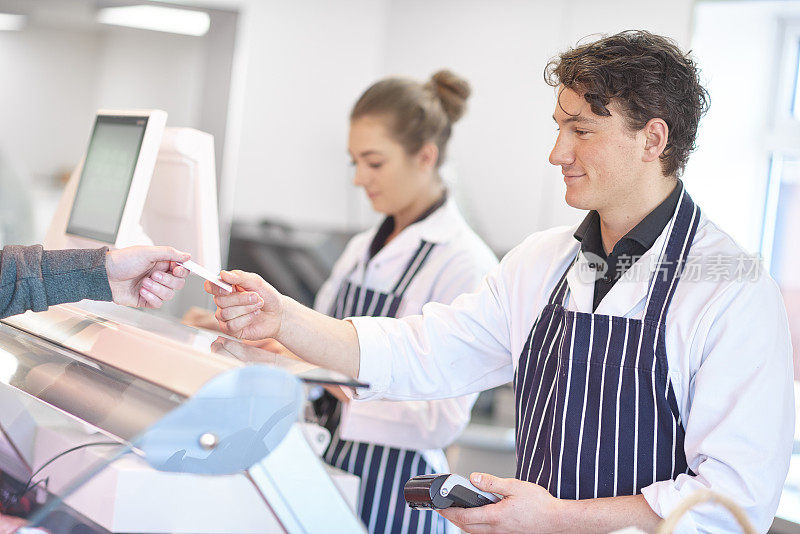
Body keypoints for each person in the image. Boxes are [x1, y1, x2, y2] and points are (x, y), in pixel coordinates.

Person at [208, 31, 795, 533]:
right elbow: (422, 352)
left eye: (582, 131)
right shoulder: (543, 262)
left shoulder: (731, 288)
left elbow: (733, 498)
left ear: (654, 140)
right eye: (558, 127)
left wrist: (558, 517)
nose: (556, 152)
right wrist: (284, 317)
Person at [193, 70, 497, 534]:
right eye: (354, 162)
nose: (359, 179)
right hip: (326, 466)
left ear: (425, 156)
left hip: (400, 494)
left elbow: (438, 421)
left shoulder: (464, 261)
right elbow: (308, 351)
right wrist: (259, 344)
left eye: (374, 163)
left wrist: (308, 363)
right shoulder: (360, 248)